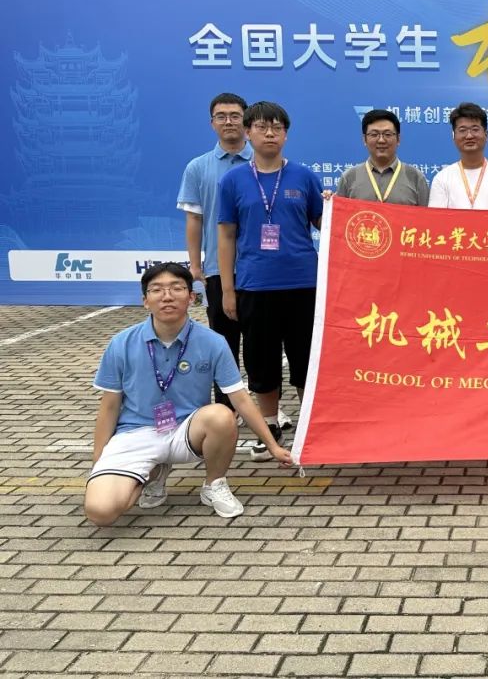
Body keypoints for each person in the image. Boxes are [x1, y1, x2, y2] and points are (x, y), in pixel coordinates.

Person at [84, 263, 292, 525]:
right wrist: (99, 460)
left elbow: (240, 398)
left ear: (191, 297)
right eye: (157, 290)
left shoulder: (213, 342)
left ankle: (214, 484)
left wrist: (273, 446)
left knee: (221, 415)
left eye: (177, 288)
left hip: (186, 431)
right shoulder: (121, 343)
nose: (167, 296)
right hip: (136, 433)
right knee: (101, 512)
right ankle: (152, 474)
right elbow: (109, 407)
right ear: (145, 301)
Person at [217, 102, 323, 461]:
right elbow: (226, 236)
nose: (270, 134)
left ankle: (309, 425)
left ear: (286, 134)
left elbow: (326, 224)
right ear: (248, 132)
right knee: (261, 360)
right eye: (262, 127)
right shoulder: (233, 181)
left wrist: (340, 209)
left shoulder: (304, 177)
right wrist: (228, 290)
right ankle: (270, 425)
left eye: (277, 128)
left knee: (306, 357)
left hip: (304, 284)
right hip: (255, 285)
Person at [176, 93, 251, 410]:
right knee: (223, 343)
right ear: (212, 123)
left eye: (235, 115)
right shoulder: (198, 167)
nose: (229, 121)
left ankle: (268, 408)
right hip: (219, 270)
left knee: (262, 342)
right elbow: (194, 220)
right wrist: (195, 266)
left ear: (246, 121)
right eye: (222, 116)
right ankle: (225, 408)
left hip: (259, 269)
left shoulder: (265, 162)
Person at [428, 102, 488, 209]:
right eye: (462, 130)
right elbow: (436, 217)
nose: (469, 136)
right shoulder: (442, 178)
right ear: (454, 136)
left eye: (475, 129)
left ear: (486, 135)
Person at [336, 109, 430, 205]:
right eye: (374, 134)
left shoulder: (416, 177)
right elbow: (338, 212)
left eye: (387, 134)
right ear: (364, 139)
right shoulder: (349, 177)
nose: (381, 140)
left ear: (398, 139)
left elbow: (427, 213)